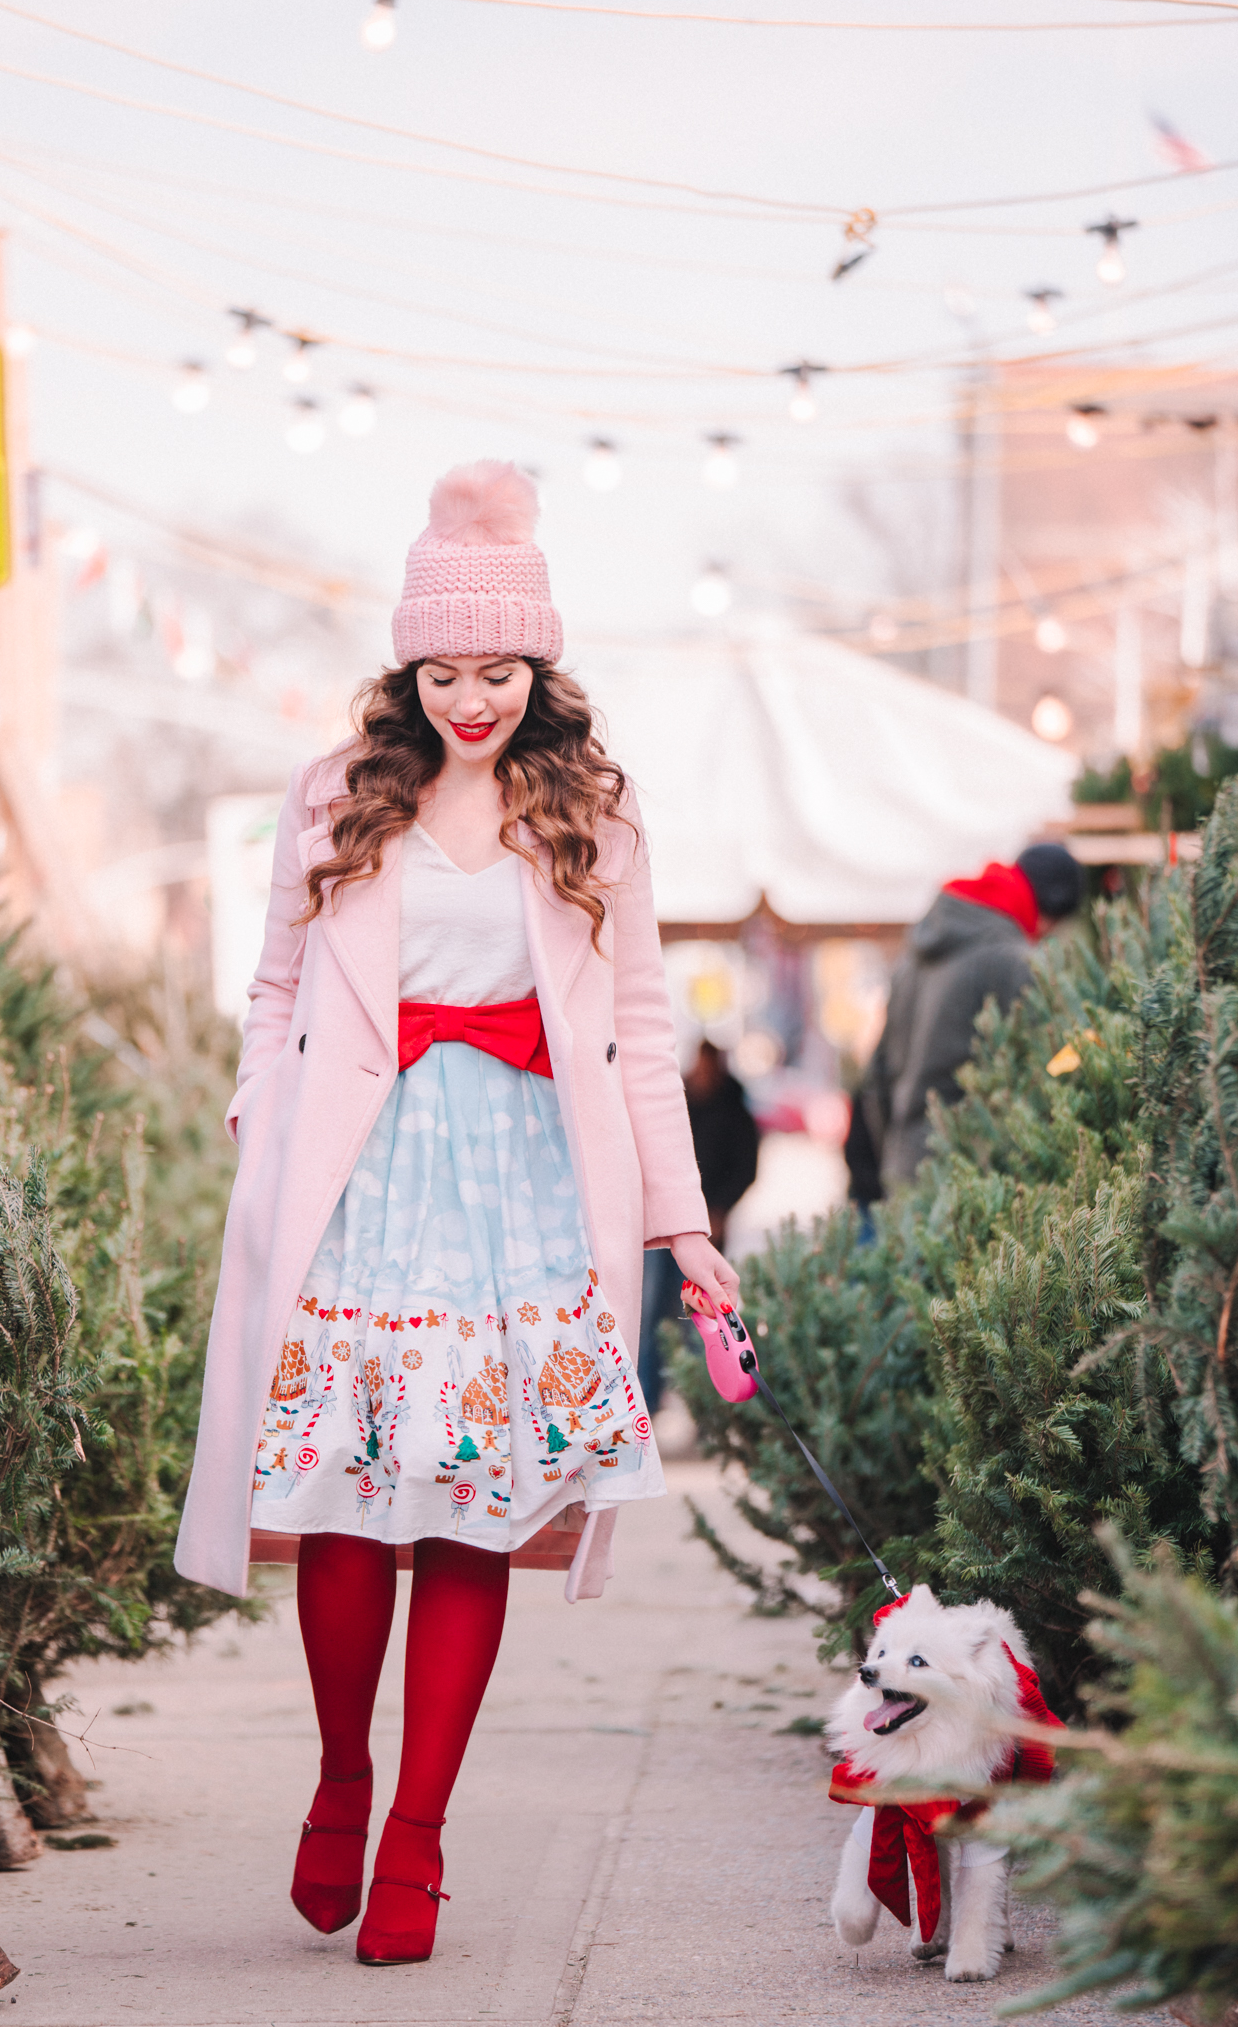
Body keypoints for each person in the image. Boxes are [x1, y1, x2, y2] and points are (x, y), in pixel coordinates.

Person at [175, 462, 736, 1968]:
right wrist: (255, 1103)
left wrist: (686, 1232)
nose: (470, 700)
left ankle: (420, 1830)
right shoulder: (337, 793)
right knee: (357, 1491)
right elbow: (279, 984)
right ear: (407, 668)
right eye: (444, 672)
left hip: (530, 1186)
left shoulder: (595, 814)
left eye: (497, 673)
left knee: (477, 1502)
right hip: (361, 1175)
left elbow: (636, 1027)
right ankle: (343, 1777)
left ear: (537, 672)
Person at [860, 843, 1084, 1193]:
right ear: (1048, 911)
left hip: (901, 1166)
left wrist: (896, 1150)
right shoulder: (1012, 961)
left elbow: (876, 1076)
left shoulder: (914, 957)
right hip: (972, 1176)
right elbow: (1052, 1063)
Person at [637, 1041, 760, 1412]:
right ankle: (649, 1400)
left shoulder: (733, 1110)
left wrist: (720, 1209)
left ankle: (706, 1407)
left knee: (704, 1320)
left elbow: (745, 1168)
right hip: (667, 1227)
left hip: (707, 1228)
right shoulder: (683, 1103)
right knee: (655, 1315)